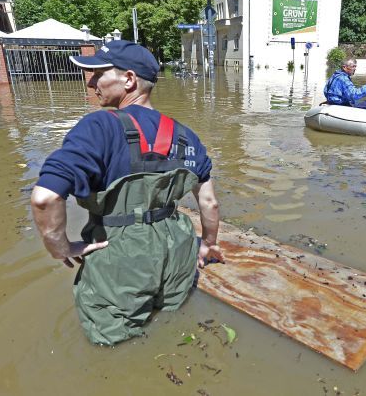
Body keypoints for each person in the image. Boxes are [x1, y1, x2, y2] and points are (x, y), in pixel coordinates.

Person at [30, 40, 224, 346]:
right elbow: (209, 202)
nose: (91, 81)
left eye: (98, 73)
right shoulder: (187, 136)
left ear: (129, 80)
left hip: (121, 257)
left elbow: (45, 197)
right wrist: (208, 244)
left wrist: (61, 247)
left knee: (113, 347)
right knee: (173, 332)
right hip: (178, 251)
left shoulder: (99, 127)